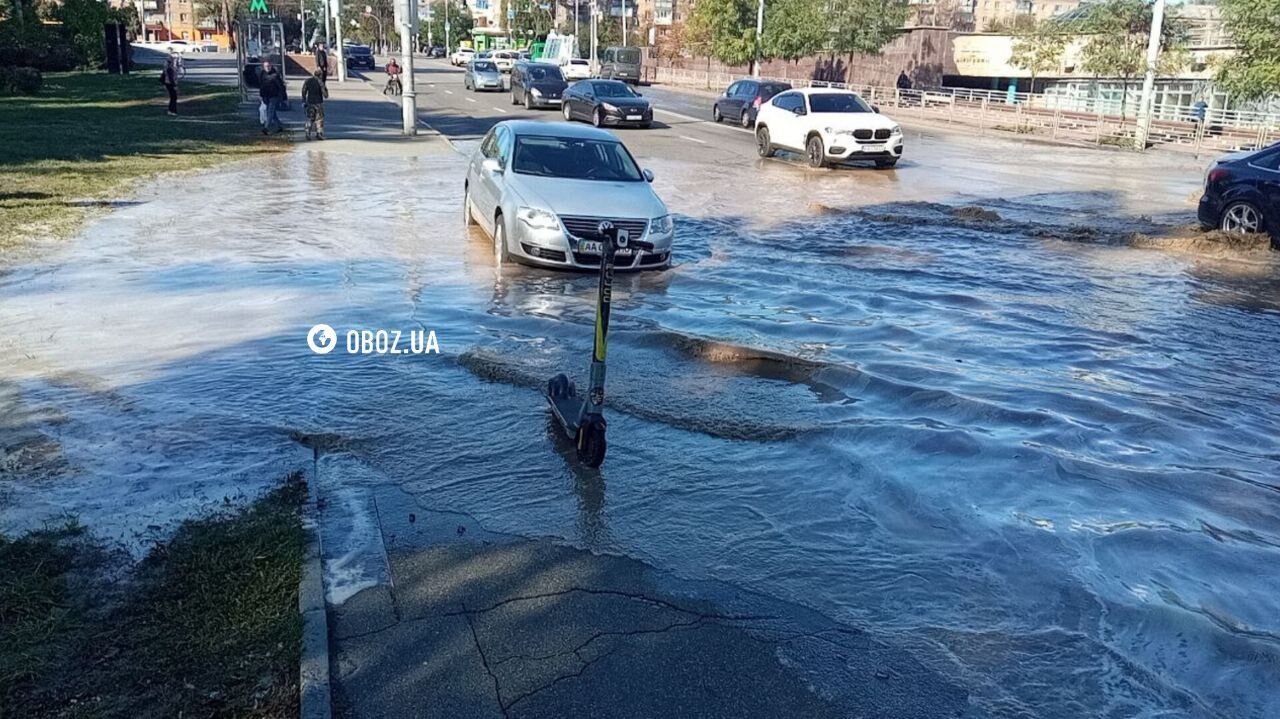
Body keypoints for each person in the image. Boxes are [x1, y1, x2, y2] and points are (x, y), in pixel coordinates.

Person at [258, 60, 287, 134]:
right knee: (273, 113)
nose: (267, 68)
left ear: (271, 66)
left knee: (270, 111)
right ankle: (279, 126)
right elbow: (261, 86)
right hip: (266, 96)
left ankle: (266, 127)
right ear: (263, 67)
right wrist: (261, 95)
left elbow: (281, 86)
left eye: (268, 66)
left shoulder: (275, 75)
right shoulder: (262, 74)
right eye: (266, 66)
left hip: (274, 96)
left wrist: (284, 97)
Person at [301, 68, 328, 139]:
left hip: (310, 102)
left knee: (310, 118)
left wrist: (304, 100)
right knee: (319, 119)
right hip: (318, 102)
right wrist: (326, 92)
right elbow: (325, 94)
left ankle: (307, 132)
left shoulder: (308, 81)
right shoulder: (320, 82)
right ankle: (319, 133)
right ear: (320, 75)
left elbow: (304, 91)